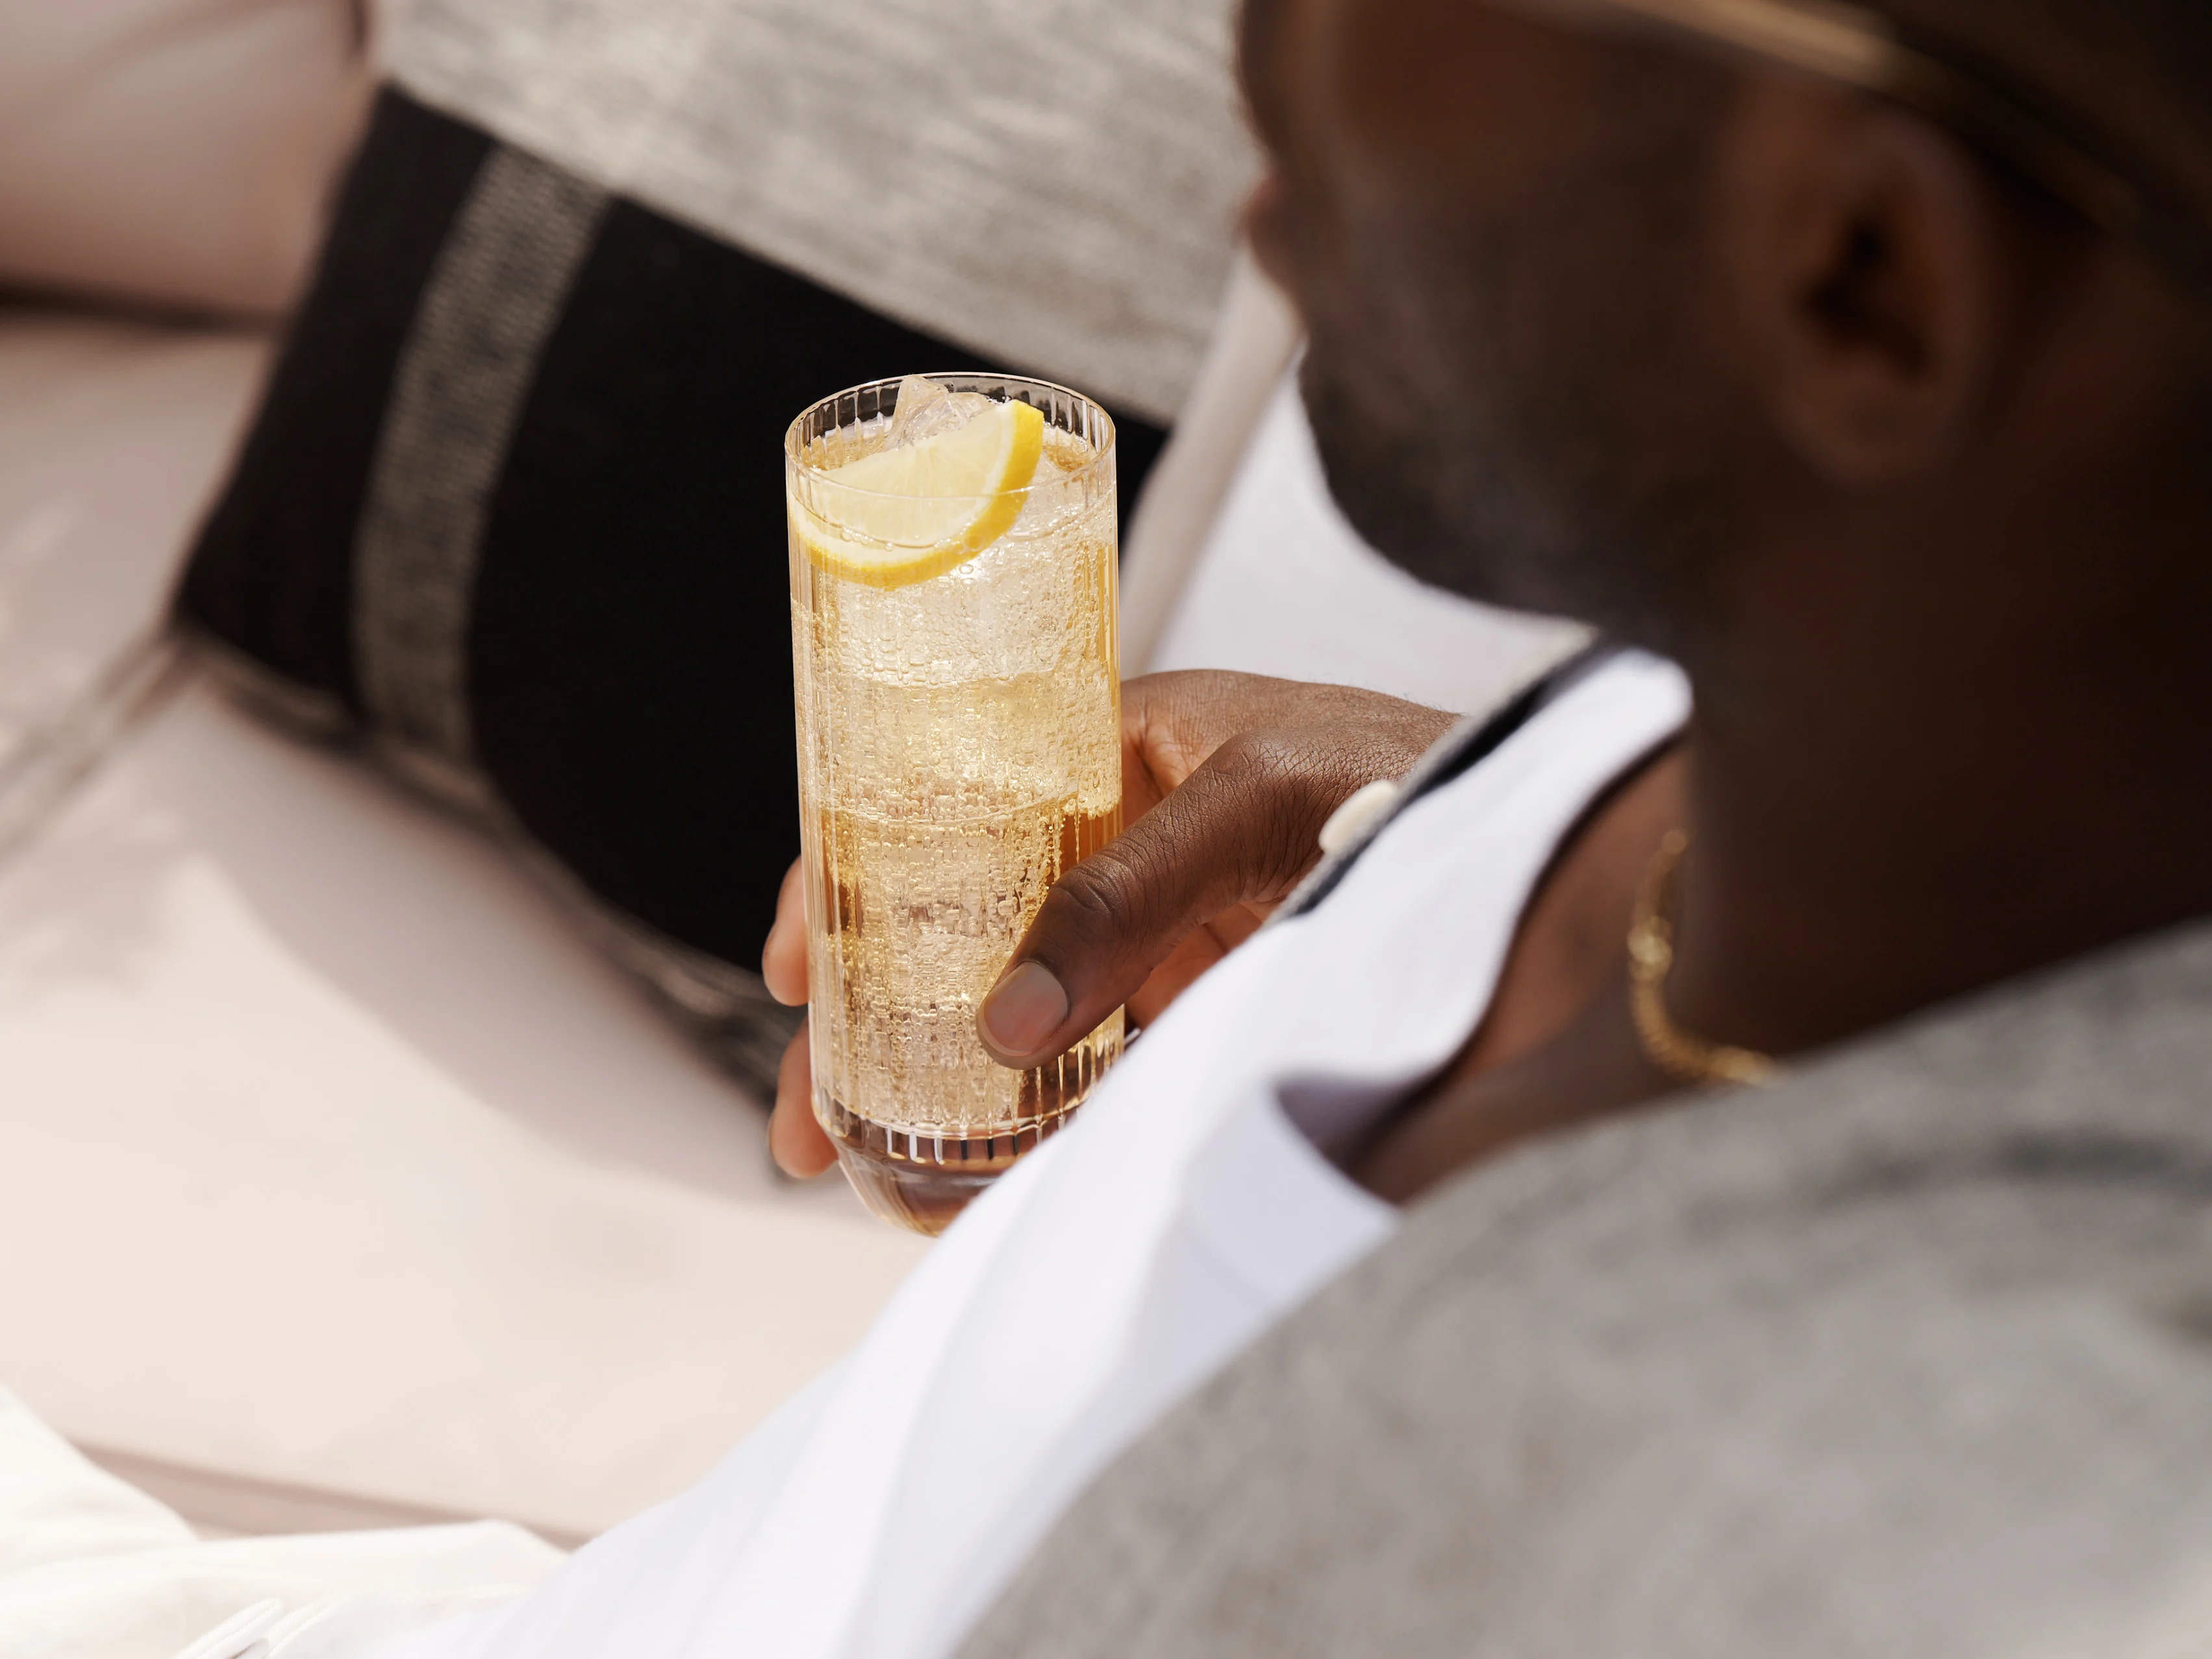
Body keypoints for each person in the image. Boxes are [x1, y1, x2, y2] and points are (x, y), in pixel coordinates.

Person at [34, 0, 2212, 1651]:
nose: (1236, 69)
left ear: (1865, 282)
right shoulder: (1810, 749)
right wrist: (1430, 829)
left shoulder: (1895, 1518)